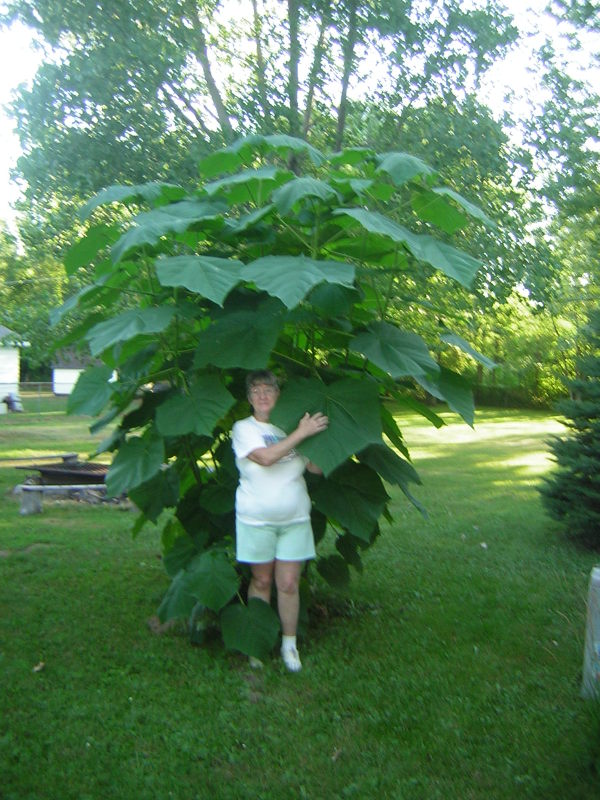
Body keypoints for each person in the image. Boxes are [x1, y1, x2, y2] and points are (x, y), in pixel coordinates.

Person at [231, 370, 328, 672]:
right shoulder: (243, 428)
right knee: (261, 580)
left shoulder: (293, 424)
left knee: (288, 583)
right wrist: (301, 433)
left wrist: (328, 442)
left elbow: (315, 469)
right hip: (256, 519)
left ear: (278, 394)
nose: (262, 395)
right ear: (249, 398)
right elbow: (265, 458)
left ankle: (289, 645)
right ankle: (257, 645)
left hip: (295, 517)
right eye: (256, 390)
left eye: (269, 390)